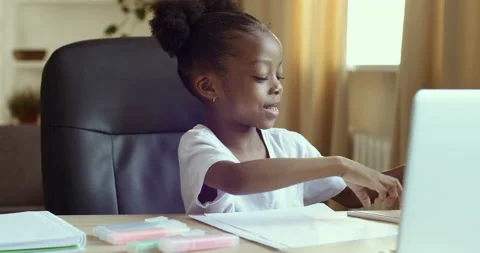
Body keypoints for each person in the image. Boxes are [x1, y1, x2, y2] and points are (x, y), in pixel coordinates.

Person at [149, 0, 405, 214]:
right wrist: (339, 164)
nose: (277, 86)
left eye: (279, 76)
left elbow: (360, 194)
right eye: (261, 76)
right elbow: (238, 179)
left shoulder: (290, 145)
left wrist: (426, 166)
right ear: (209, 87)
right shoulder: (199, 145)